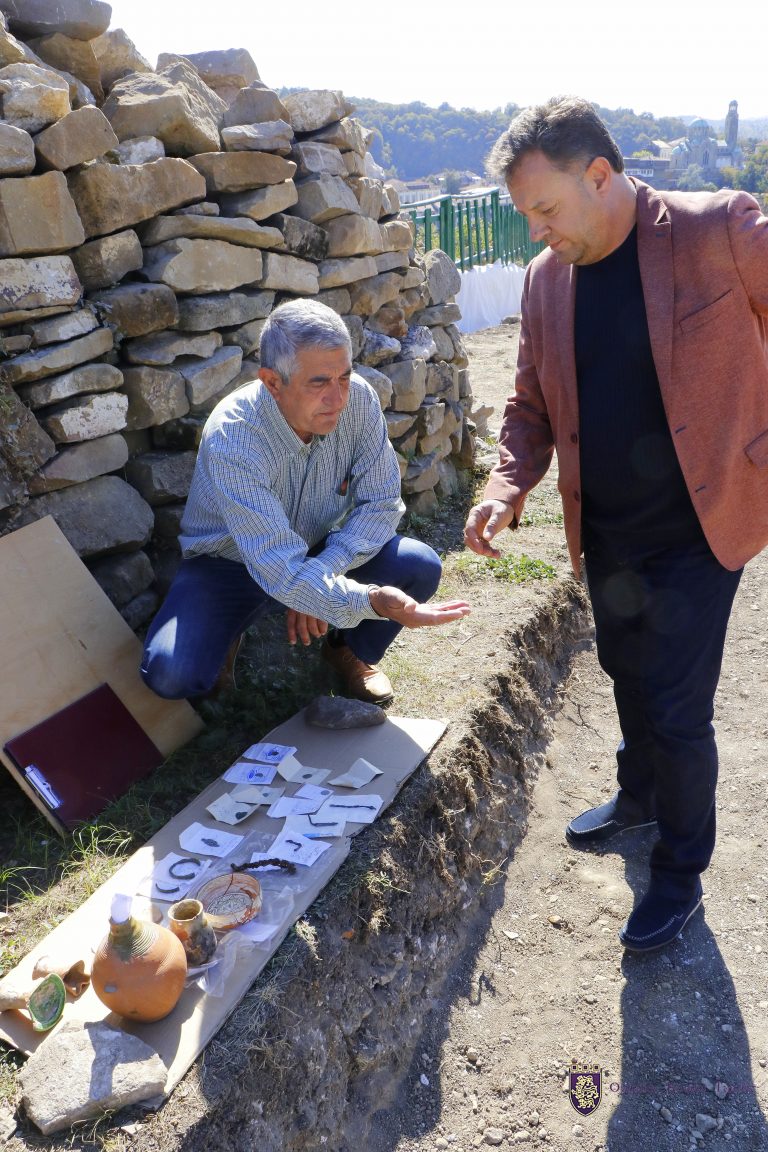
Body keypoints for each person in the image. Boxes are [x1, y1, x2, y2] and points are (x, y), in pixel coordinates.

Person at [464, 96, 768, 953]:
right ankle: (639, 798)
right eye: (526, 216)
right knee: (624, 670)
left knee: (676, 706)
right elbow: (529, 403)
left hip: (703, 524)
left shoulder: (719, 228)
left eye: (545, 210)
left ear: (599, 175)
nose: (536, 232)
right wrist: (507, 485)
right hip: (604, 525)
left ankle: (679, 874)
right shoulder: (545, 279)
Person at [142, 299, 470, 707]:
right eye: (319, 383)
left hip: (316, 547)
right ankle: (229, 633)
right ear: (272, 383)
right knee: (171, 673)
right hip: (230, 563)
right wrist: (369, 599)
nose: (338, 398)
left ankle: (347, 651)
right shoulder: (234, 436)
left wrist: (323, 571)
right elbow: (276, 563)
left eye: (344, 377)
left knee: (418, 565)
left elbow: (382, 503)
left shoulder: (360, 401)